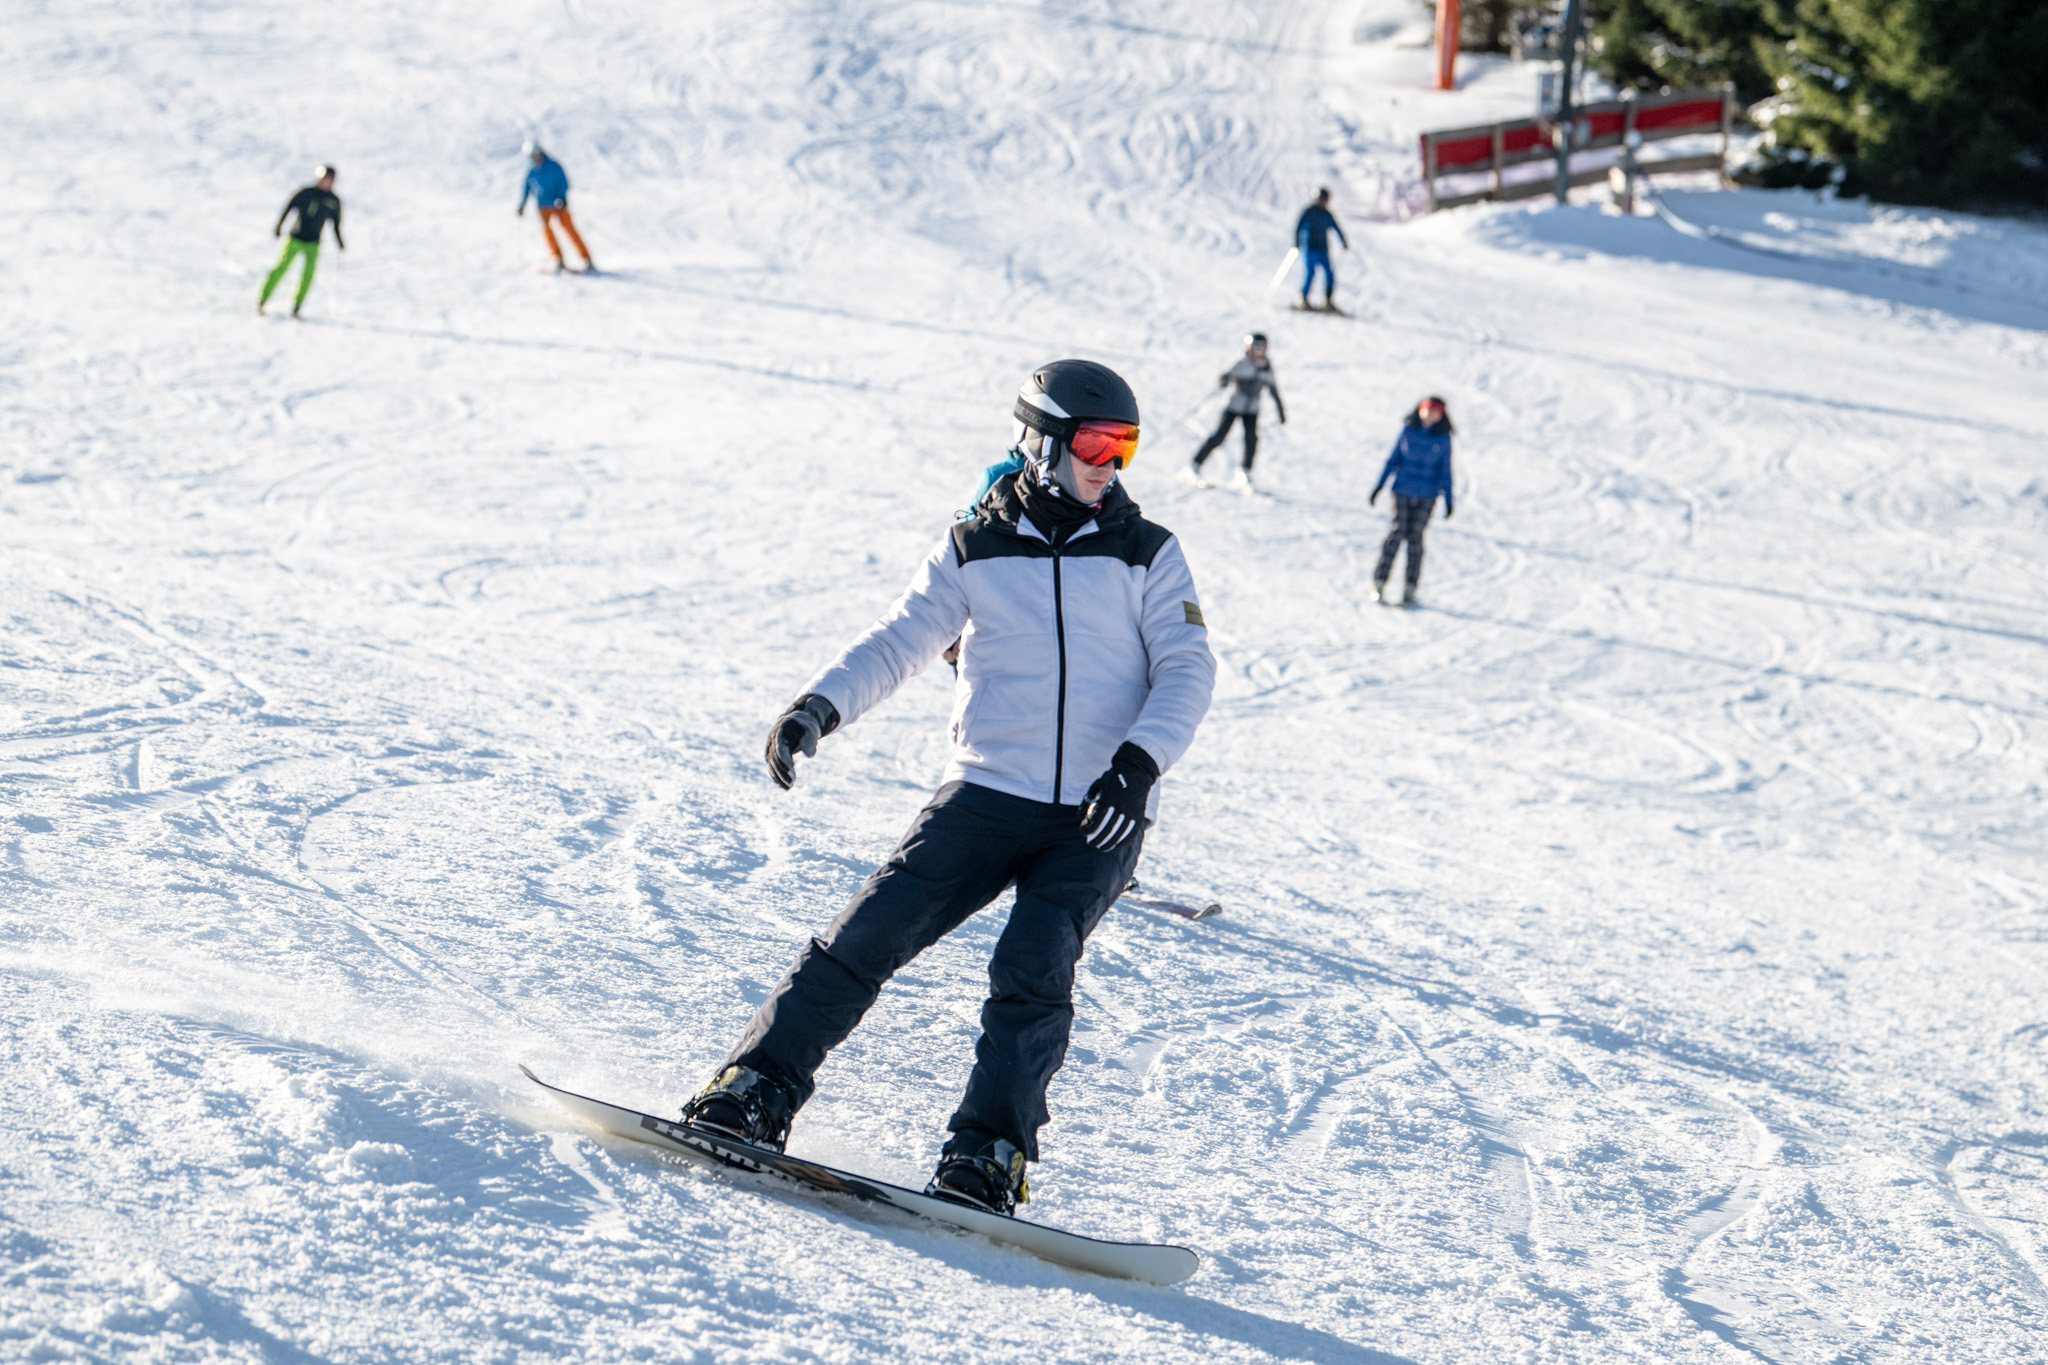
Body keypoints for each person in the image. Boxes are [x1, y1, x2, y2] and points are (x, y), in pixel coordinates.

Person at [681, 360, 1216, 1216]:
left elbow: (1188, 668)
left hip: (1099, 811)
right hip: (987, 789)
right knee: (867, 930)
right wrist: (819, 706)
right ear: (1040, 443)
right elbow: (900, 638)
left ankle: (988, 1154)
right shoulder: (975, 545)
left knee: (1033, 960)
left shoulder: (1145, 552)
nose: (1110, 463)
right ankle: (756, 1086)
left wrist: (1139, 762)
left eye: (1126, 446)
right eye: (1093, 442)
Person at [1369, 396, 1455, 606]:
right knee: (1397, 532)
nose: (1430, 415)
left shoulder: (1443, 438)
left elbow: (1445, 470)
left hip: (1428, 494)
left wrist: (1449, 499)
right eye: (1427, 410)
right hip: (1402, 490)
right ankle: (1379, 581)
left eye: (1435, 411)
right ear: (1420, 410)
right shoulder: (1409, 431)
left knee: (1415, 537)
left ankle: (1410, 586)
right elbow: (1394, 459)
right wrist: (1379, 486)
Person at [1190, 332, 1286, 489]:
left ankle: (1244, 471)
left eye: (1262, 348)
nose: (1259, 351)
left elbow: (1274, 391)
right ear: (1248, 347)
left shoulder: (1267, 367)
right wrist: (1225, 380)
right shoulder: (1242, 363)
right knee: (1219, 436)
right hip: (1234, 406)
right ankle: (1195, 464)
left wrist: (1281, 412)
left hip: (1252, 409)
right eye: (1256, 347)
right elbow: (1225, 376)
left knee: (1251, 439)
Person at [258, 166, 343, 317]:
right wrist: (279, 226)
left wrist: (339, 241)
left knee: (308, 275)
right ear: (319, 178)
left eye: (330, 180)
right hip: (295, 238)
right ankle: (262, 300)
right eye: (324, 178)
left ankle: (296, 307)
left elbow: (336, 223)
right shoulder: (306, 193)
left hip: (313, 243)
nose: (326, 182)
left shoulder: (333, 201)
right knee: (281, 267)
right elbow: (289, 206)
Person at [518, 142, 595, 273]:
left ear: (540, 152)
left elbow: (564, 182)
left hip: (557, 203)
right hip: (542, 206)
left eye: (536, 155)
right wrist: (522, 203)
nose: (535, 159)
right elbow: (527, 187)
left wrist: (562, 198)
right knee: (547, 230)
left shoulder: (553, 166)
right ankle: (557, 258)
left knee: (569, 229)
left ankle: (586, 258)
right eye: (532, 157)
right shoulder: (531, 169)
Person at [1294, 188, 1348, 313]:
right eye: (1322, 199)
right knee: (1310, 273)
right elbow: (1299, 226)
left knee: (1329, 274)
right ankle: (1302, 298)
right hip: (1309, 248)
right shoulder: (1309, 212)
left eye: (1325, 199)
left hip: (1322, 249)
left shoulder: (1326, 214)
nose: (1324, 202)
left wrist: (1343, 240)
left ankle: (1328, 301)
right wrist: (1296, 241)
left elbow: (1336, 227)